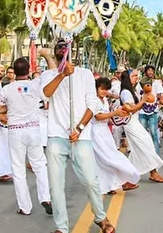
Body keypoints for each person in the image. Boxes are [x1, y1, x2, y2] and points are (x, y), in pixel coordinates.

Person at [40, 39, 115, 233]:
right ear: (56, 53)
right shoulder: (48, 74)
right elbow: (45, 94)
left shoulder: (86, 74)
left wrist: (80, 127)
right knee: (56, 186)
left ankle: (101, 217)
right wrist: (62, 75)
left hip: (80, 137)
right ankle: (61, 227)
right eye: (59, 47)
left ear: (73, 51)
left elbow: (93, 104)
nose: (63, 50)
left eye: (66, 47)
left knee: (90, 180)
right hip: (56, 135)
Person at [0, 58, 52, 216]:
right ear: (29, 69)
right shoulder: (36, 84)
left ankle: (25, 207)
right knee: (40, 165)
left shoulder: (7, 89)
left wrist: (10, 106)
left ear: (13, 72)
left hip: (15, 131)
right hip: (33, 129)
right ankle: (45, 197)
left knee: (18, 170)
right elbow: (53, 72)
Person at [92, 77, 140, 195]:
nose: (103, 91)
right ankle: (112, 183)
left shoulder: (104, 101)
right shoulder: (94, 100)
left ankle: (112, 184)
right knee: (105, 158)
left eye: (105, 89)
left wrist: (118, 118)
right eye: (101, 89)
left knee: (109, 157)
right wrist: (115, 113)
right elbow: (97, 117)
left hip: (105, 132)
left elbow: (107, 117)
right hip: (96, 132)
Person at [120, 70, 163, 184]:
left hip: (135, 121)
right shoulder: (125, 93)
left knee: (142, 147)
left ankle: (131, 176)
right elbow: (130, 110)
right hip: (131, 123)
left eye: (137, 76)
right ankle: (153, 172)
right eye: (134, 76)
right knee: (144, 145)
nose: (136, 78)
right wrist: (143, 100)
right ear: (127, 78)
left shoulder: (133, 90)